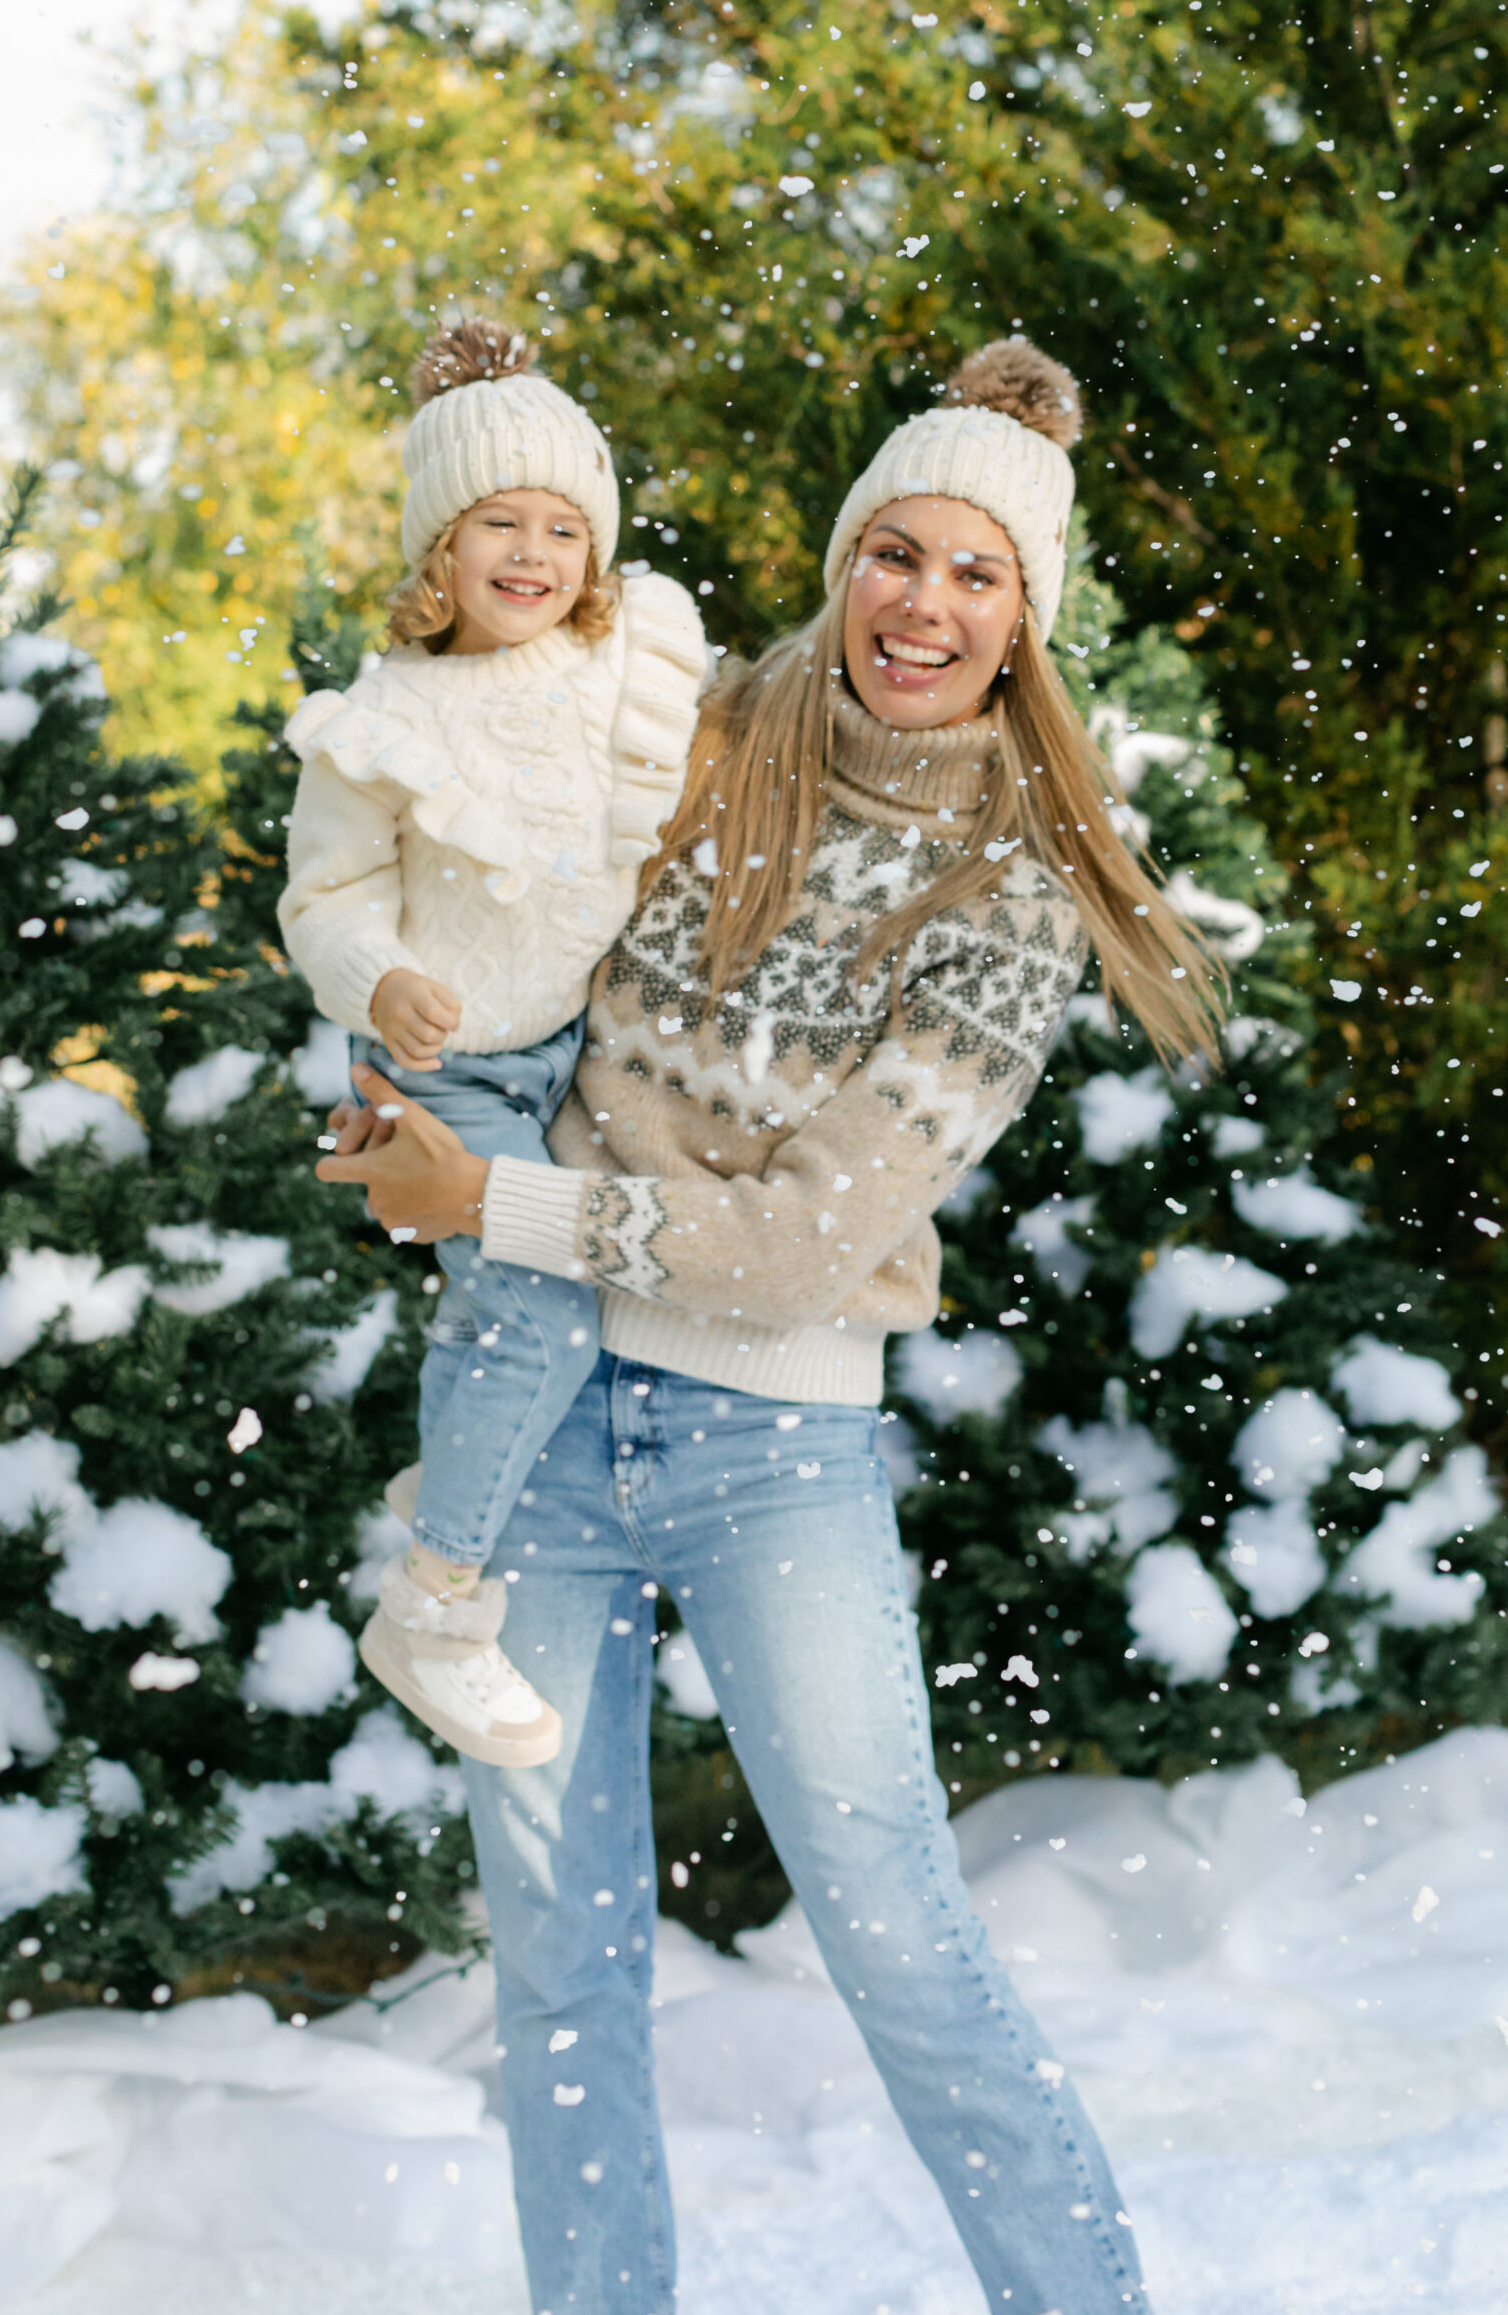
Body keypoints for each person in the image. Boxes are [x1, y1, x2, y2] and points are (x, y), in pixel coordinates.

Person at [323, 336, 1224, 2315]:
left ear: (1024, 617)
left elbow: (803, 1243)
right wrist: (423, 1075)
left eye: (974, 572)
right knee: (554, 1957)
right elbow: (484, 891)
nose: (919, 600)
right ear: (839, 561)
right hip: (531, 1415)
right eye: (889, 551)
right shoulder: (693, 733)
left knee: (897, 1928)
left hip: (768, 1448)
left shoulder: (1004, 896)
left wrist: (499, 1199)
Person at [280, 316, 708, 1765]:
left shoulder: (617, 668)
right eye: (496, 525)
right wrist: (380, 977)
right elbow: (325, 897)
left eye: (564, 527)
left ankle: (459, 1463)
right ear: (435, 553)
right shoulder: (386, 718)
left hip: (568, 1050)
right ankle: (434, 1607)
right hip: (446, 1065)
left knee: (558, 1316)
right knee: (544, 1311)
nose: (534, 554)